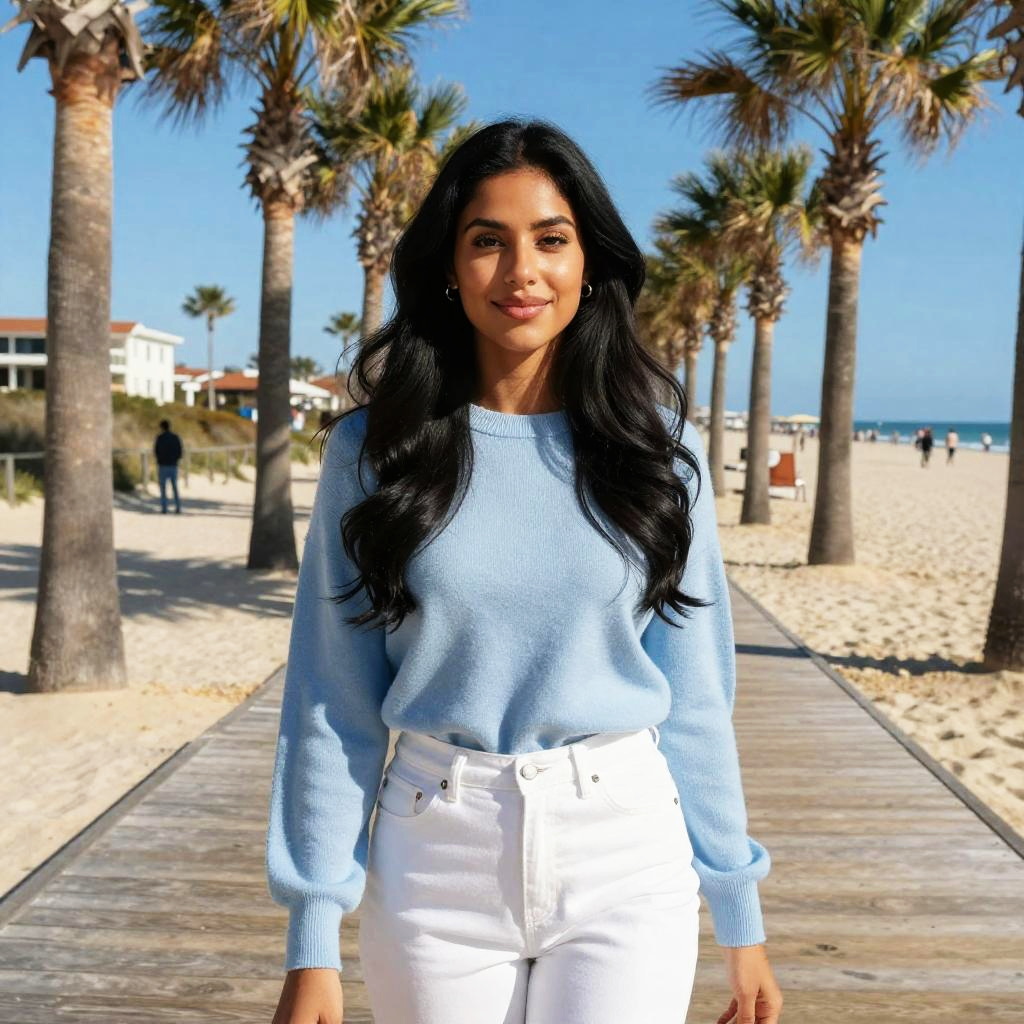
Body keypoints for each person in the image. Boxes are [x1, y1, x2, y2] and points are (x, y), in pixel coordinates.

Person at [265, 119, 782, 1024]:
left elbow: (697, 693)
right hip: (434, 854)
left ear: (590, 264)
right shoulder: (374, 450)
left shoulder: (659, 452)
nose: (521, 273)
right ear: (448, 267)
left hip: (624, 845)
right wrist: (314, 933)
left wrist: (738, 906)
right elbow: (330, 699)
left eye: (551, 239)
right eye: (486, 243)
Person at [153, 419, 182, 514]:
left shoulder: (160, 438)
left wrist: (159, 460)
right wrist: (176, 459)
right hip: (173, 465)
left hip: (163, 465)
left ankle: (164, 508)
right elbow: (180, 451)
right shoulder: (175, 437)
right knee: (174, 487)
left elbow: (156, 451)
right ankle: (178, 507)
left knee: (163, 488)